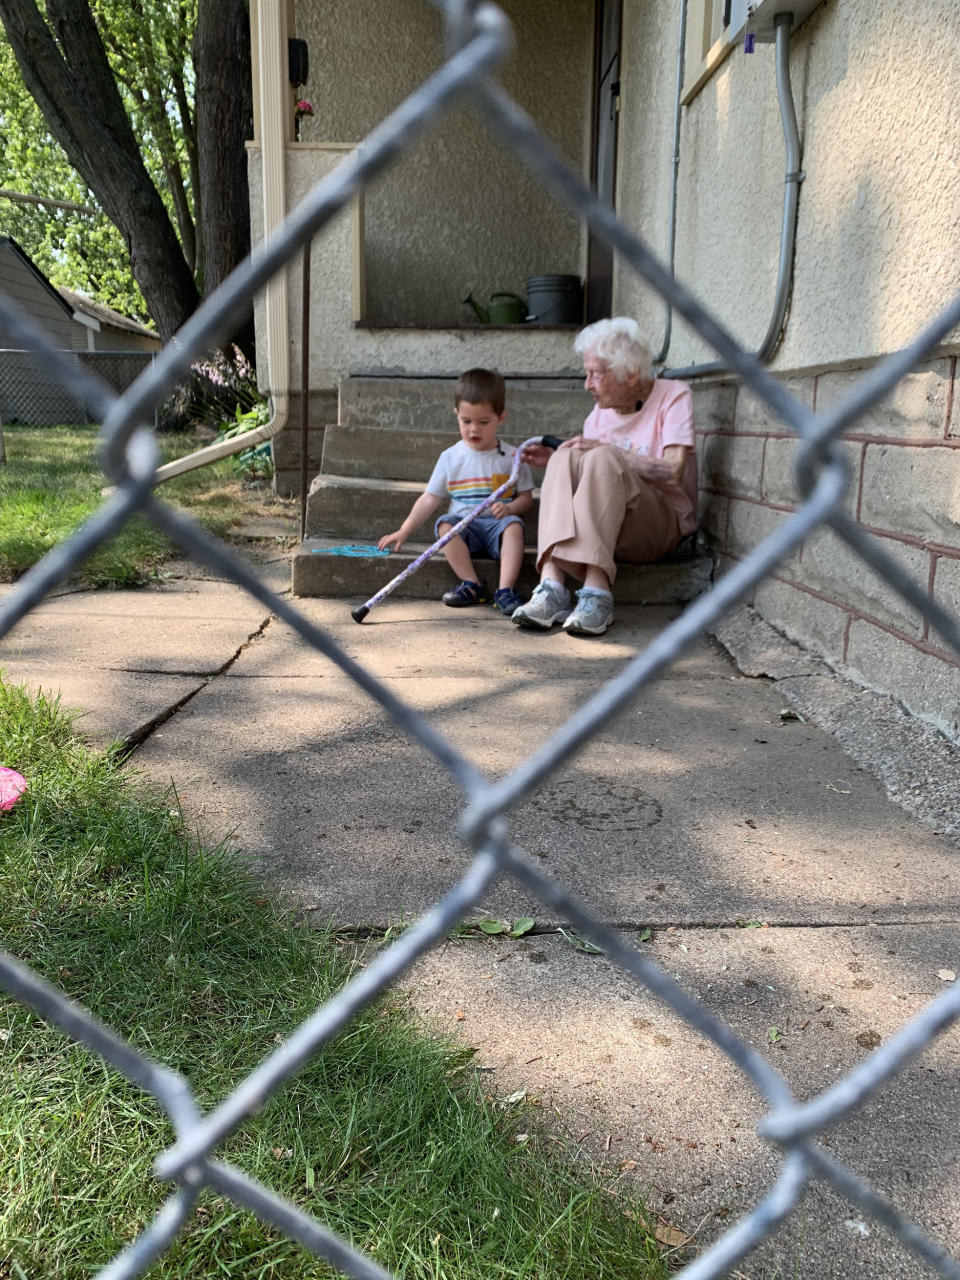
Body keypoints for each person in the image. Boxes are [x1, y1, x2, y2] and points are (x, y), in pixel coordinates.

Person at [511, 317, 697, 637]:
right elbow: (589, 490)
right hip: (609, 533)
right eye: (587, 373)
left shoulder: (673, 395)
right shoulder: (598, 415)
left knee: (602, 456)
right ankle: (552, 587)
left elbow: (672, 471)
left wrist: (607, 450)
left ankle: (597, 593)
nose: (587, 384)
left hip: (659, 527)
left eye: (596, 374)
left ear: (631, 373)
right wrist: (562, 461)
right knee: (565, 456)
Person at [377, 368, 534, 615]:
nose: (474, 430)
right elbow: (430, 498)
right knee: (445, 526)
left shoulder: (512, 457)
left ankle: (505, 590)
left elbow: (526, 497)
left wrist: (511, 508)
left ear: (500, 418)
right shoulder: (450, 458)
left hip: (497, 527)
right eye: (466, 421)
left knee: (515, 527)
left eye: (483, 422)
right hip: (465, 528)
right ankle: (472, 585)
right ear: (456, 415)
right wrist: (404, 530)